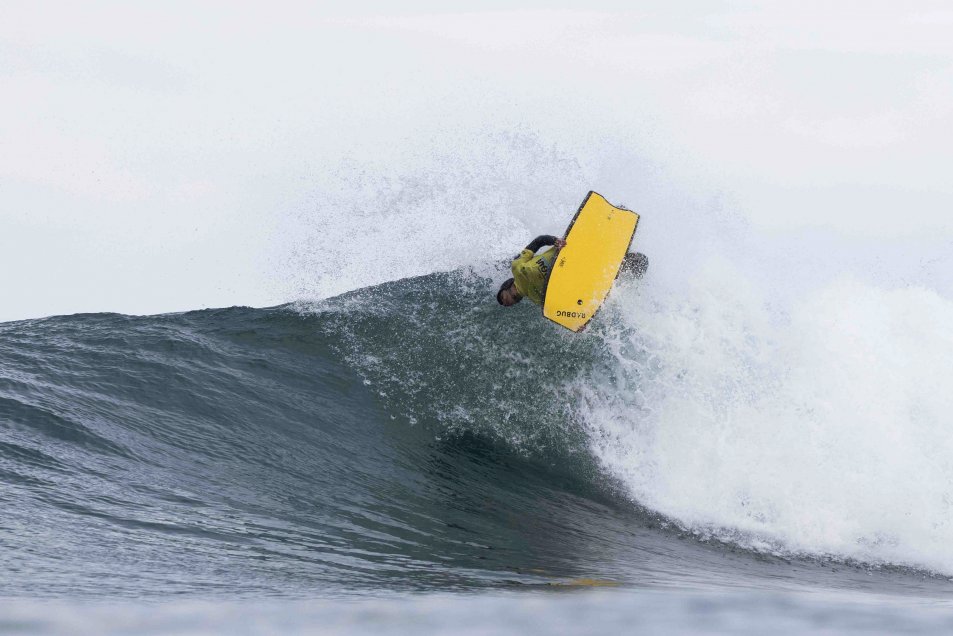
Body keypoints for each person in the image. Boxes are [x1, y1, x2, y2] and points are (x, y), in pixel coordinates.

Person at [496, 235, 648, 307]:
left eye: (501, 298)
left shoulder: (516, 267)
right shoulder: (537, 299)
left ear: (505, 286)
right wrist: (580, 320)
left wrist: (555, 241)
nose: (505, 303)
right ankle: (626, 262)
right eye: (504, 304)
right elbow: (565, 306)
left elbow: (539, 241)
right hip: (579, 273)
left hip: (568, 253)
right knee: (630, 264)